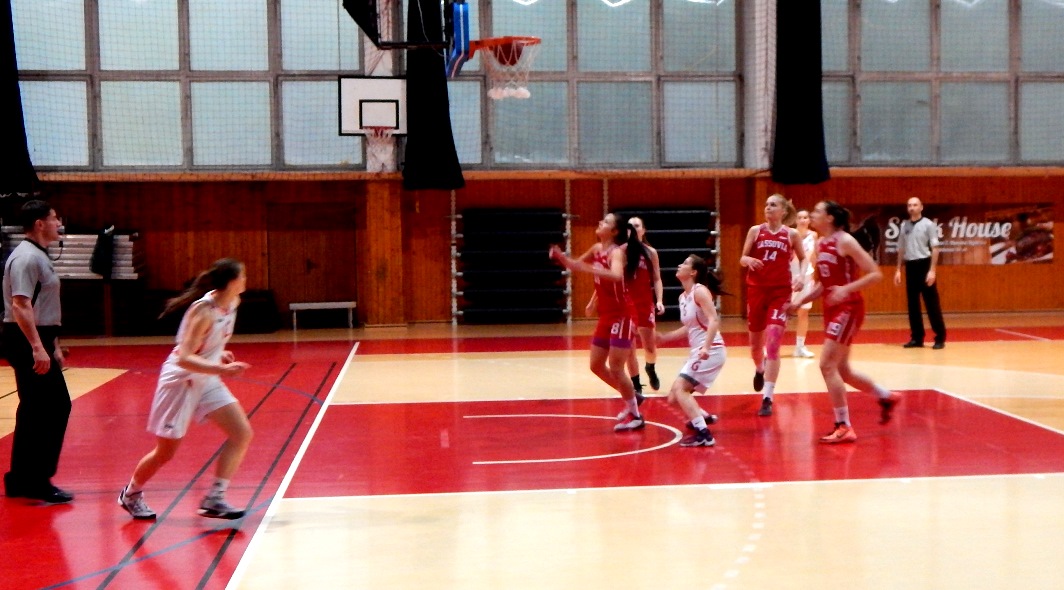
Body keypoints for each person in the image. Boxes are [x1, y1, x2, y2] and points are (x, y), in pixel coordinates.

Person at [118, 258, 253, 520]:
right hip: (181, 381)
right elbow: (184, 357)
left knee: (241, 433)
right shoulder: (204, 312)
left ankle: (215, 498)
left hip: (206, 378)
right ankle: (131, 493)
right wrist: (221, 368)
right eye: (243, 276)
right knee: (165, 452)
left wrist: (217, 352)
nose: (246, 280)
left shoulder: (232, 303)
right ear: (231, 282)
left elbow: (206, 344)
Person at [785, 201, 901, 444]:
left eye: (817, 211)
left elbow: (875, 273)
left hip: (849, 308)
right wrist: (799, 302)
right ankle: (886, 396)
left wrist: (846, 289)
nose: (812, 214)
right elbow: (823, 284)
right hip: (832, 309)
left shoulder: (845, 240)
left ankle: (844, 426)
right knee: (843, 371)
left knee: (827, 365)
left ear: (829, 218)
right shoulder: (820, 243)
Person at [2, 200, 74, 504]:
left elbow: (43, 305)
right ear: (39, 224)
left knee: (34, 409)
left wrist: (52, 344)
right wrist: (37, 347)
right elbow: (21, 305)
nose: (59, 224)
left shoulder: (37, 255)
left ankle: (20, 478)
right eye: (54, 218)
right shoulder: (26, 258)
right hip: (25, 338)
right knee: (54, 406)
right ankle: (37, 480)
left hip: (39, 336)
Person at [550, 214, 649, 432]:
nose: (599, 223)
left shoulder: (616, 252)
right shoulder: (596, 249)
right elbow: (576, 265)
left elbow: (616, 275)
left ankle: (635, 414)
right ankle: (633, 396)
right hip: (606, 314)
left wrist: (589, 269)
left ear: (614, 231)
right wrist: (561, 257)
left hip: (623, 314)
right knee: (595, 365)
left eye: (605, 222)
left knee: (616, 366)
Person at [739, 194, 805, 417]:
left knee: (774, 343)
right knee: (755, 346)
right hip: (756, 290)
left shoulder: (791, 234)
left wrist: (801, 275)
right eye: (766, 204)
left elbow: (804, 258)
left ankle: (768, 397)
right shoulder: (755, 231)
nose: (768, 207)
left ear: (783, 211)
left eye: (773, 205)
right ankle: (760, 369)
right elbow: (742, 258)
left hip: (780, 292)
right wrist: (748, 260)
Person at [655, 255, 726, 447]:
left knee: (681, 389)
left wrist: (706, 347)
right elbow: (689, 327)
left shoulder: (700, 291)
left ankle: (704, 434)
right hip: (698, 352)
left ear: (693, 272)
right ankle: (703, 416)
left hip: (711, 350)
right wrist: (664, 338)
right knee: (673, 397)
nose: (680, 265)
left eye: (685, 263)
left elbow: (714, 320)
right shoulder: (683, 297)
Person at [894, 197, 946, 349]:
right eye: (909, 205)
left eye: (915, 205)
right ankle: (917, 338)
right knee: (913, 304)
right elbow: (901, 248)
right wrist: (898, 269)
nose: (912, 208)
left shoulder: (928, 224)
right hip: (910, 266)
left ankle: (940, 337)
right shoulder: (904, 225)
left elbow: (935, 248)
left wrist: (932, 270)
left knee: (931, 303)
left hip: (924, 264)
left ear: (921, 207)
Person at [624, 216, 664, 394]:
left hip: (644, 303)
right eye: (630, 226)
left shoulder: (650, 252)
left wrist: (659, 300)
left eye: (637, 225)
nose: (633, 228)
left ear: (643, 230)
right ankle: (636, 385)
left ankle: (650, 367)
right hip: (626, 304)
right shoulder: (620, 252)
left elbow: (657, 279)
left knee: (649, 347)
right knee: (629, 349)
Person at [791, 209, 818, 359]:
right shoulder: (790, 234)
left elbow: (813, 257)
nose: (802, 220)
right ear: (795, 220)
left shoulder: (813, 235)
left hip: (807, 276)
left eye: (805, 217)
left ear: (809, 220)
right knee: (781, 312)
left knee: (804, 312)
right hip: (791, 276)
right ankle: (771, 346)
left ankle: (800, 347)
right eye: (800, 217)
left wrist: (813, 274)